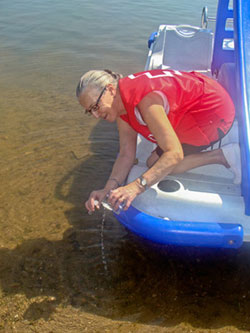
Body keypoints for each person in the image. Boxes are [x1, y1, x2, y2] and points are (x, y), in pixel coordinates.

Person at [76, 68, 241, 214]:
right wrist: (107, 188)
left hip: (214, 112)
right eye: (89, 112)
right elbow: (126, 152)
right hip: (203, 91)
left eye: (96, 106)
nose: (96, 115)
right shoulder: (121, 101)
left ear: (110, 89)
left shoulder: (145, 102)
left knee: (158, 163)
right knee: (155, 162)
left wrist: (136, 187)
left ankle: (224, 155)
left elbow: (174, 154)